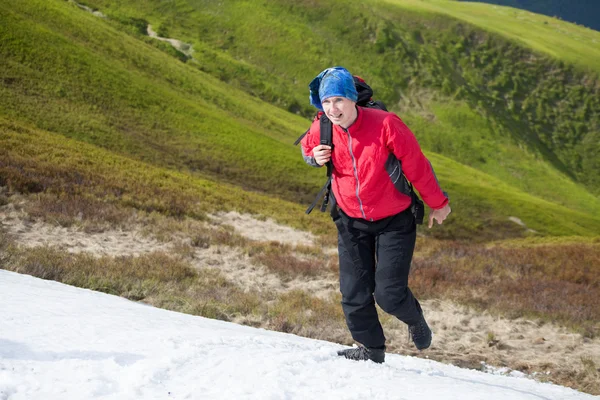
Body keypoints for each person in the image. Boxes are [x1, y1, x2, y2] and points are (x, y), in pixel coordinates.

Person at [300, 67, 451, 364]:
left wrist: (438, 203)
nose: (333, 109)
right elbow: (307, 148)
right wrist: (313, 158)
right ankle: (371, 350)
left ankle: (415, 319)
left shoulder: (386, 124)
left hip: (394, 220)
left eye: (339, 100)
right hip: (350, 220)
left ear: (353, 98)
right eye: (326, 101)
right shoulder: (322, 126)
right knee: (353, 292)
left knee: (389, 294)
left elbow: (416, 165)